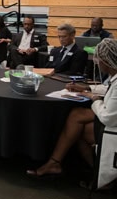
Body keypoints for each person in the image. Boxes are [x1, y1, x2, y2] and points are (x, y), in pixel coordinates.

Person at [26, 39, 117, 179]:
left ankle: (99, 175)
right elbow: (107, 89)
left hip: (112, 127)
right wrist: (87, 88)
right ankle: (96, 173)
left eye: (98, 59)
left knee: (76, 121)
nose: (97, 62)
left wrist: (94, 99)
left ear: (106, 61)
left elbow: (108, 117)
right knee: (76, 120)